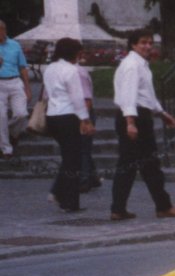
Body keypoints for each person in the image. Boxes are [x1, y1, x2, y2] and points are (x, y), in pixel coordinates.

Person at [110, 29, 175, 221]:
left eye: (150, 43)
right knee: (134, 164)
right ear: (133, 44)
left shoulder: (141, 65)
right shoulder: (132, 65)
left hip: (140, 115)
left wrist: (162, 113)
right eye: (143, 42)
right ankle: (126, 208)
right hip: (134, 117)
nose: (148, 46)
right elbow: (128, 95)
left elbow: (147, 95)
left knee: (146, 164)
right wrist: (130, 123)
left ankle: (155, 206)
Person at [43, 38, 95, 213]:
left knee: (68, 157)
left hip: (52, 115)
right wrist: (85, 120)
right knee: (73, 160)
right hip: (68, 115)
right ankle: (69, 200)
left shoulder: (50, 68)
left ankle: (61, 194)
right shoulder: (72, 70)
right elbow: (77, 97)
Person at [0, 19, 32, 158]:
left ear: (4, 30)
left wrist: (27, 88)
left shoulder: (14, 45)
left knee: (21, 114)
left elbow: (23, 67)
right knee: (1, 116)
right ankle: (6, 148)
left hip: (15, 82)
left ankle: (10, 132)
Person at [77, 51, 102, 192]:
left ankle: (84, 180)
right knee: (83, 147)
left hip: (83, 112)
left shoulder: (79, 72)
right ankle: (93, 177)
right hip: (74, 112)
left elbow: (87, 98)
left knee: (83, 148)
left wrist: (85, 119)